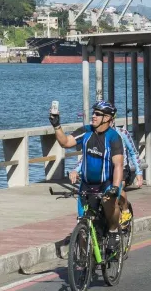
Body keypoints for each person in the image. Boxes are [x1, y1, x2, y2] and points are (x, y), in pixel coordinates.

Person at [50, 100, 125, 250]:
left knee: (110, 203)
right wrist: (56, 125)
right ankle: (84, 263)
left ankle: (113, 231)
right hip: (86, 184)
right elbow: (65, 142)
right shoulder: (86, 131)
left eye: (98, 114)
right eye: (93, 113)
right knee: (83, 225)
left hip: (107, 183)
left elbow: (118, 165)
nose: (93, 116)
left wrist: (115, 188)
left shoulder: (113, 137)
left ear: (107, 118)